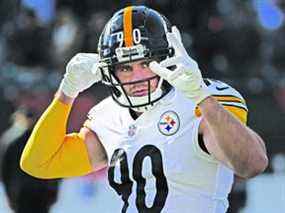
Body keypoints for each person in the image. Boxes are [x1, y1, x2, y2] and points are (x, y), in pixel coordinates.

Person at [20, 5, 268, 213]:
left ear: (167, 58)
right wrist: (66, 93)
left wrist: (204, 99)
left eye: (146, 63)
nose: (136, 77)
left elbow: (252, 164)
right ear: (110, 71)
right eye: (125, 67)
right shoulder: (108, 116)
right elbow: (38, 164)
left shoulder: (204, 100)